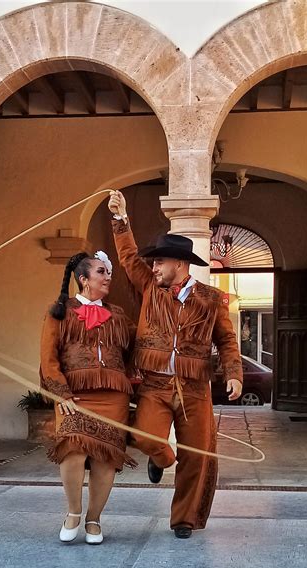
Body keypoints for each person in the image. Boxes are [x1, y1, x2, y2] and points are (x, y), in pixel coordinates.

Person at [108, 190, 243, 539]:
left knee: (197, 456)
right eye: (153, 263)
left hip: (195, 388)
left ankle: (183, 519)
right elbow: (128, 259)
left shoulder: (212, 300)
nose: (153, 268)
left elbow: (227, 340)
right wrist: (121, 220)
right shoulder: (150, 288)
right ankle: (161, 458)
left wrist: (234, 373)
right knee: (145, 437)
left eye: (159, 262)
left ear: (180, 265)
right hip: (154, 384)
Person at [40, 250, 136, 545]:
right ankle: (73, 512)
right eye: (101, 272)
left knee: (106, 459)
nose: (108, 277)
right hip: (74, 398)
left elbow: (136, 351)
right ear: (83, 280)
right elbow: (48, 359)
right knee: (72, 451)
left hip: (113, 399)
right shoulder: (58, 312)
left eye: (108, 273)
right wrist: (61, 395)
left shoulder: (118, 315)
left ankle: (94, 519)